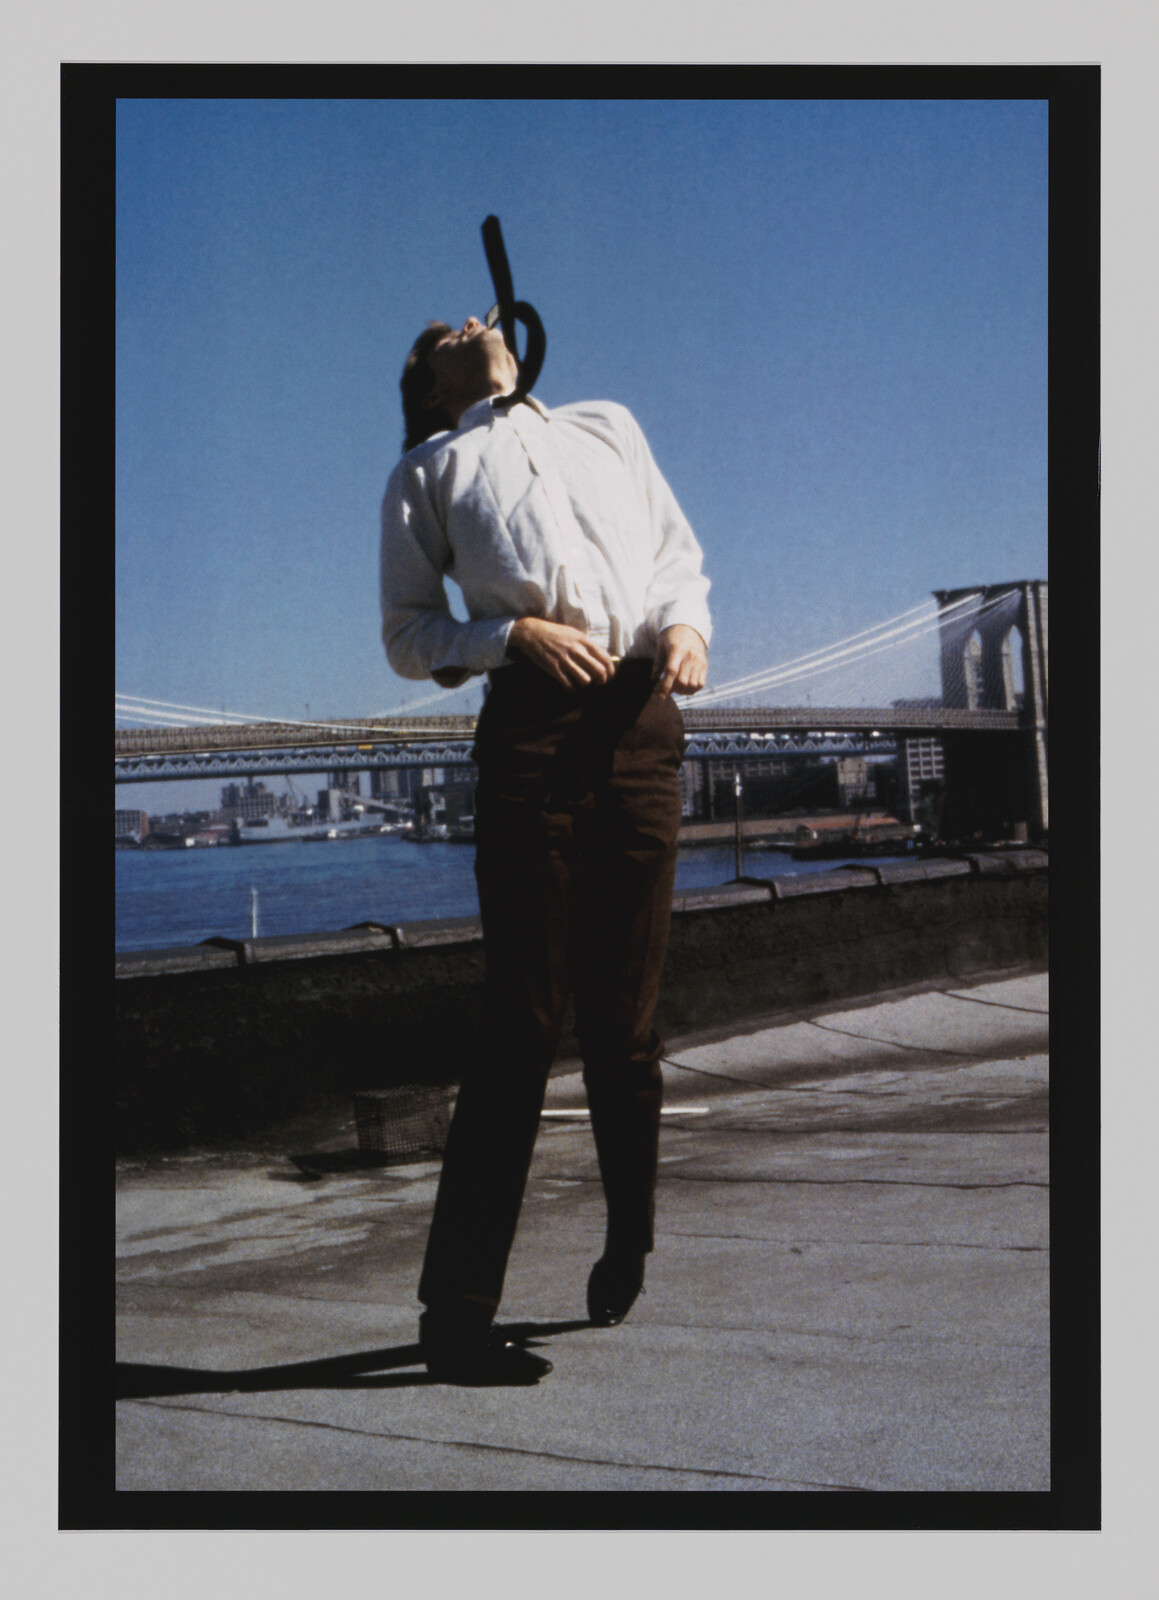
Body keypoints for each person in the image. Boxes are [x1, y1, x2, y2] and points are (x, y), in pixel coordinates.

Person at [380, 315, 711, 1384]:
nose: (468, 322)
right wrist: (509, 636)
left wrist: (685, 629)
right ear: (432, 388)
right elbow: (407, 634)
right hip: (529, 730)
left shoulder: (608, 424)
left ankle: (630, 1241)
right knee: (520, 1023)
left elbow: (674, 557)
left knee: (628, 1024)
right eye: (443, 334)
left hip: (641, 725)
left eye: (472, 315)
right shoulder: (428, 471)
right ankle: (456, 1314)